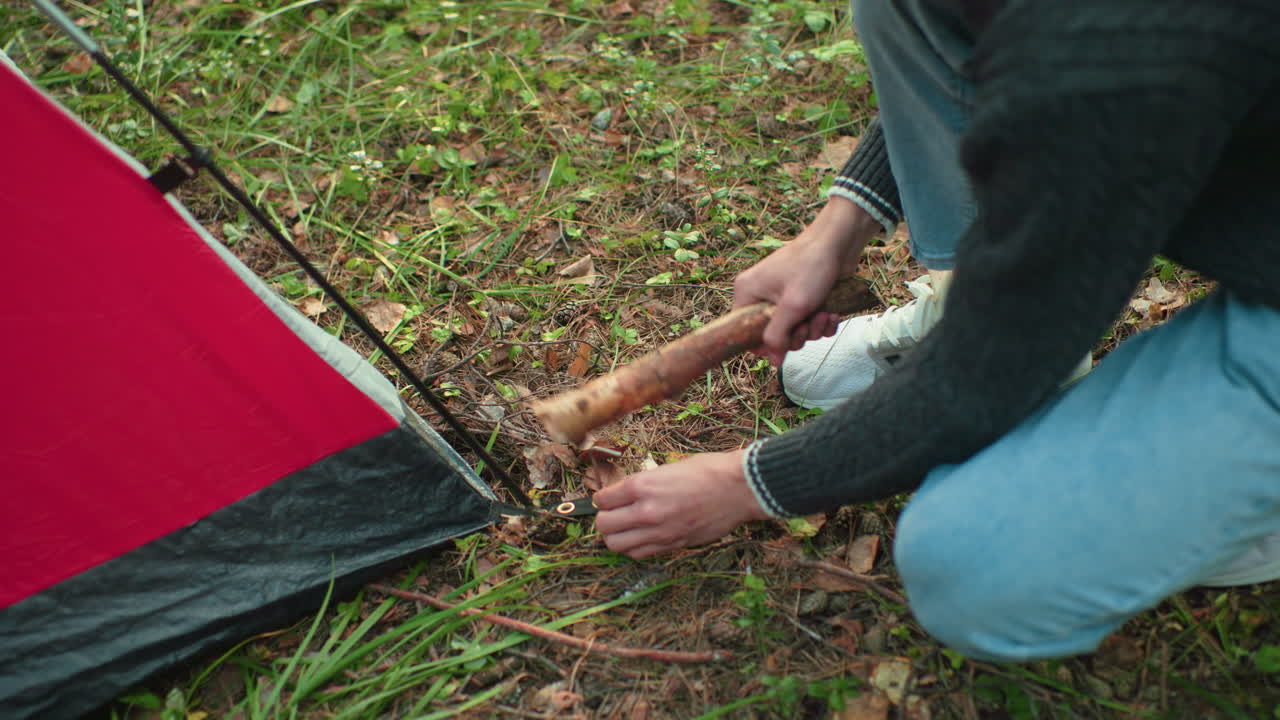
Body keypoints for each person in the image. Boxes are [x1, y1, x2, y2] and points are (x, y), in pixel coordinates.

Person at [593, 0, 1280, 662]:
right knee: (904, 8)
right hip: (1206, 144)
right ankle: (990, 306)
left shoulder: (1103, 47)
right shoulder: (1077, 53)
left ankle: (1242, 497)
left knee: (972, 567)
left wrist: (747, 484)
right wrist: (837, 229)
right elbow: (1003, 66)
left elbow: (984, 375)